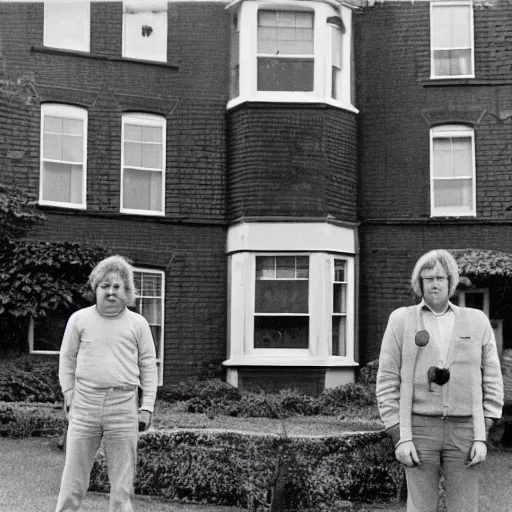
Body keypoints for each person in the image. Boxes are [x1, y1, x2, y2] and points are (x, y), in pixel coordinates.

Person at [376, 249, 503, 512]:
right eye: (428, 278)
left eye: (441, 278)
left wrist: (484, 428)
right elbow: (387, 379)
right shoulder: (401, 320)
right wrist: (400, 435)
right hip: (419, 429)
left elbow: (492, 375)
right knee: (420, 507)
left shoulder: (476, 320)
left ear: (451, 282)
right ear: (419, 283)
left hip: (464, 430)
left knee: (465, 507)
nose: (435, 284)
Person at [55, 255, 158, 512]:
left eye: (117, 286)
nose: (111, 292)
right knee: (73, 482)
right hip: (85, 405)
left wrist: (146, 407)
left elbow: (148, 365)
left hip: (123, 407)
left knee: (122, 488)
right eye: (105, 286)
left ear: (127, 290)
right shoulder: (78, 320)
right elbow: (67, 359)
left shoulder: (139, 324)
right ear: (96, 288)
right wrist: (68, 392)